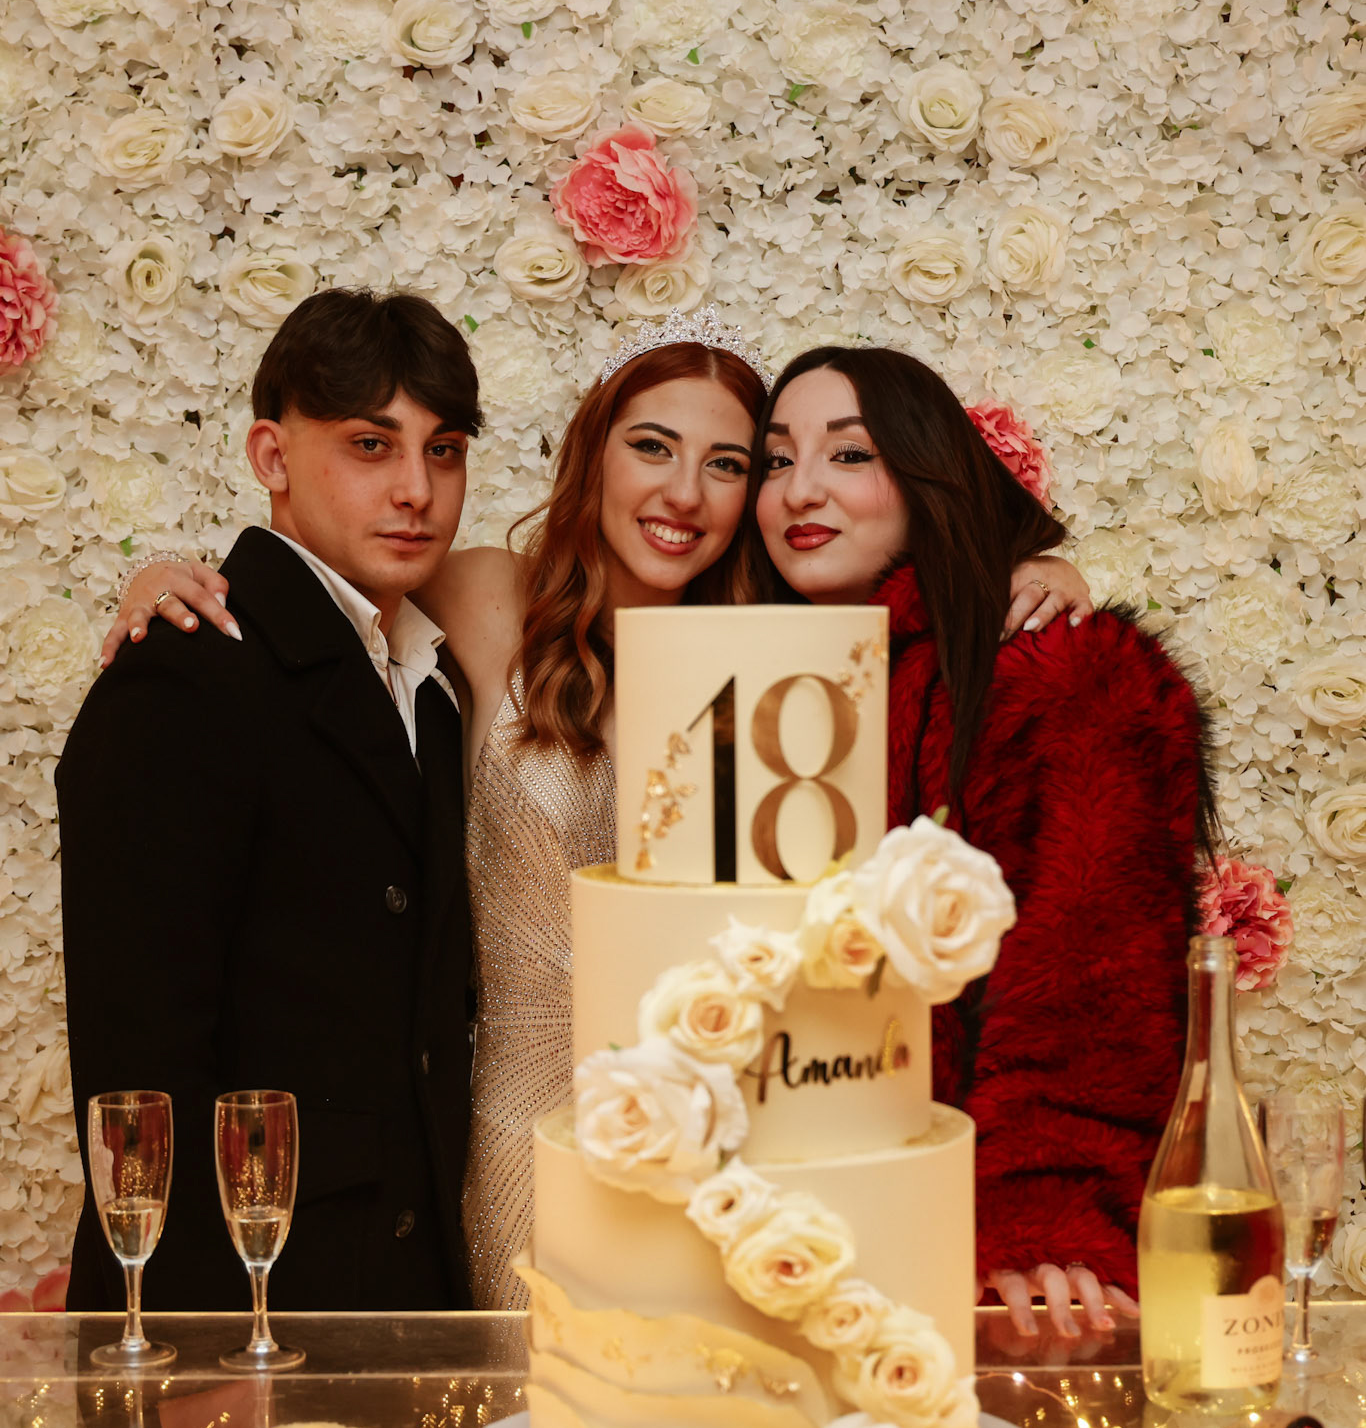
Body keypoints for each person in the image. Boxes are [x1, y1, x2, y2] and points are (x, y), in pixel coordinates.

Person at [103, 312, 1095, 1310]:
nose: (683, 492)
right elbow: (325, 583)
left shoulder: (786, 652)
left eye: (726, 464)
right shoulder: (488, 599)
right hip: (519, 1128)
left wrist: (1045, 572)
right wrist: (169, 581)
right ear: (595, 455)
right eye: (651, 447)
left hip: (732, 1135)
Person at [753, 347, 1215, 1341]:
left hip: (981, 1250)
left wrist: (1042, 1215)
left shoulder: (1060, 672)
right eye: (775, 458)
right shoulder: (771, 684)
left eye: (849, 455)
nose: (799, 490)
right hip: (793, 1219)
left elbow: (1095, 980)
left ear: (930, 475)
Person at [60, 288, 480, 1313]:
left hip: (404, 1281)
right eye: (371, 445)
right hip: (247, 1295)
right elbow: (137, 1069)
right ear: (271, 456)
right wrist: (197, 1340)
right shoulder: (186, 672)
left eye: (444, 450)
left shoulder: (429, 677)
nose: (416, 490)